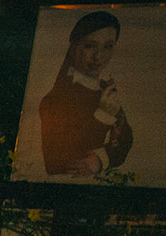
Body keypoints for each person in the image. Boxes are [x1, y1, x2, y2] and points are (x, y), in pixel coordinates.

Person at [39, 11, 133, 177]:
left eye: (108, 46)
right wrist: (102, 117)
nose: (99, 56)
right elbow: (56, 161)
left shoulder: (106, 91)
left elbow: (124, 139)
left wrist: (100, 159)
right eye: (90, 46)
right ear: (75, 47)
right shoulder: (55, 99)